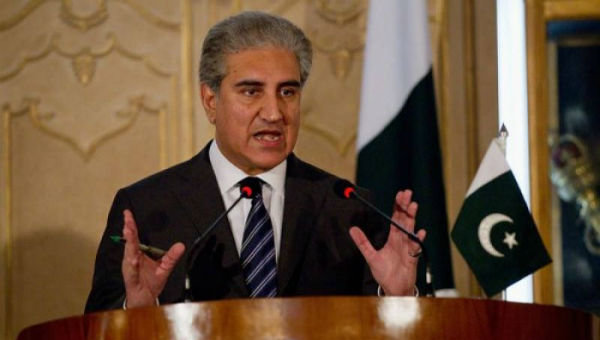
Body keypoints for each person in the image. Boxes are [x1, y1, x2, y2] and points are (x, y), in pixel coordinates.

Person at [84, 11, 426, 313]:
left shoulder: (350, 209)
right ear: (210, 100)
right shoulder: (146, 208)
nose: (274, 113)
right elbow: (95, 339)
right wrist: (138, 310)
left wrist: (397, 296)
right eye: (251, 92)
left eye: (287, 92)